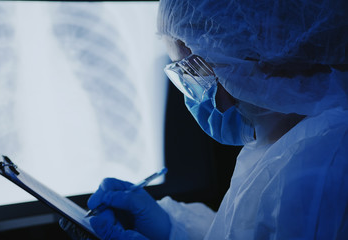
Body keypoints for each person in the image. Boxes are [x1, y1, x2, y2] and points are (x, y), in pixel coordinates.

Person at [79, 0, 348, 239]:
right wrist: (173, 230)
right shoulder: (288, 144)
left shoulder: (317, 172)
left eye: (191, 73)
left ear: (246, 62)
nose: (194, 94)